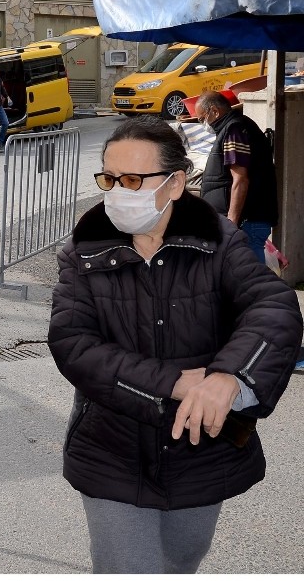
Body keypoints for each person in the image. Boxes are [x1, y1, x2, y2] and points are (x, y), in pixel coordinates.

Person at [49, 115, 302, 574]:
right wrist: (174, 385)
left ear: (175, 183)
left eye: (132, 179)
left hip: (200, 452)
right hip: (112, 451)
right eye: (109, 178)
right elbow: (73, 344)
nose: (117, 192)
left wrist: (231, 376)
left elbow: (274, 305)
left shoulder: (218, 241)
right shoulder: (82, 251)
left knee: (181, 561)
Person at [194, 90, 278, 263]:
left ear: (214, 111)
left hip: (247, 220)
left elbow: (240, 179)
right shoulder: (234, 127)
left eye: (202, 119)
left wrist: (232, 222)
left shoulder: (234, 129)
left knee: (250, 275)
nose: (203, 124)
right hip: (248, 220)